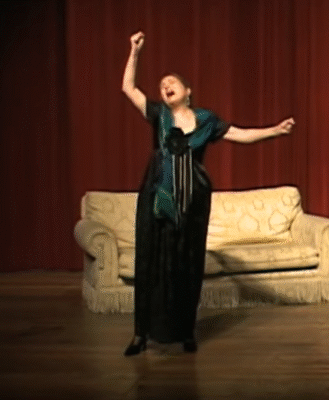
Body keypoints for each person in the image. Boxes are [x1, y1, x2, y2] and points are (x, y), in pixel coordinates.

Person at [121, 31, 295, 356]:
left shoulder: (206, 120)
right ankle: (141, 334)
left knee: (187, 262)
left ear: (188, 91)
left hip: (192, 199)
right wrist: (134, 51)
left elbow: (240, 134)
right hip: (158, 195)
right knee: (152, 261)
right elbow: (128, 88)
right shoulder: (159, 115)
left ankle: (185, 331)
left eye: (172, 82)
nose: (165, 86)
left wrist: (274, 130)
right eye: (162, 84)